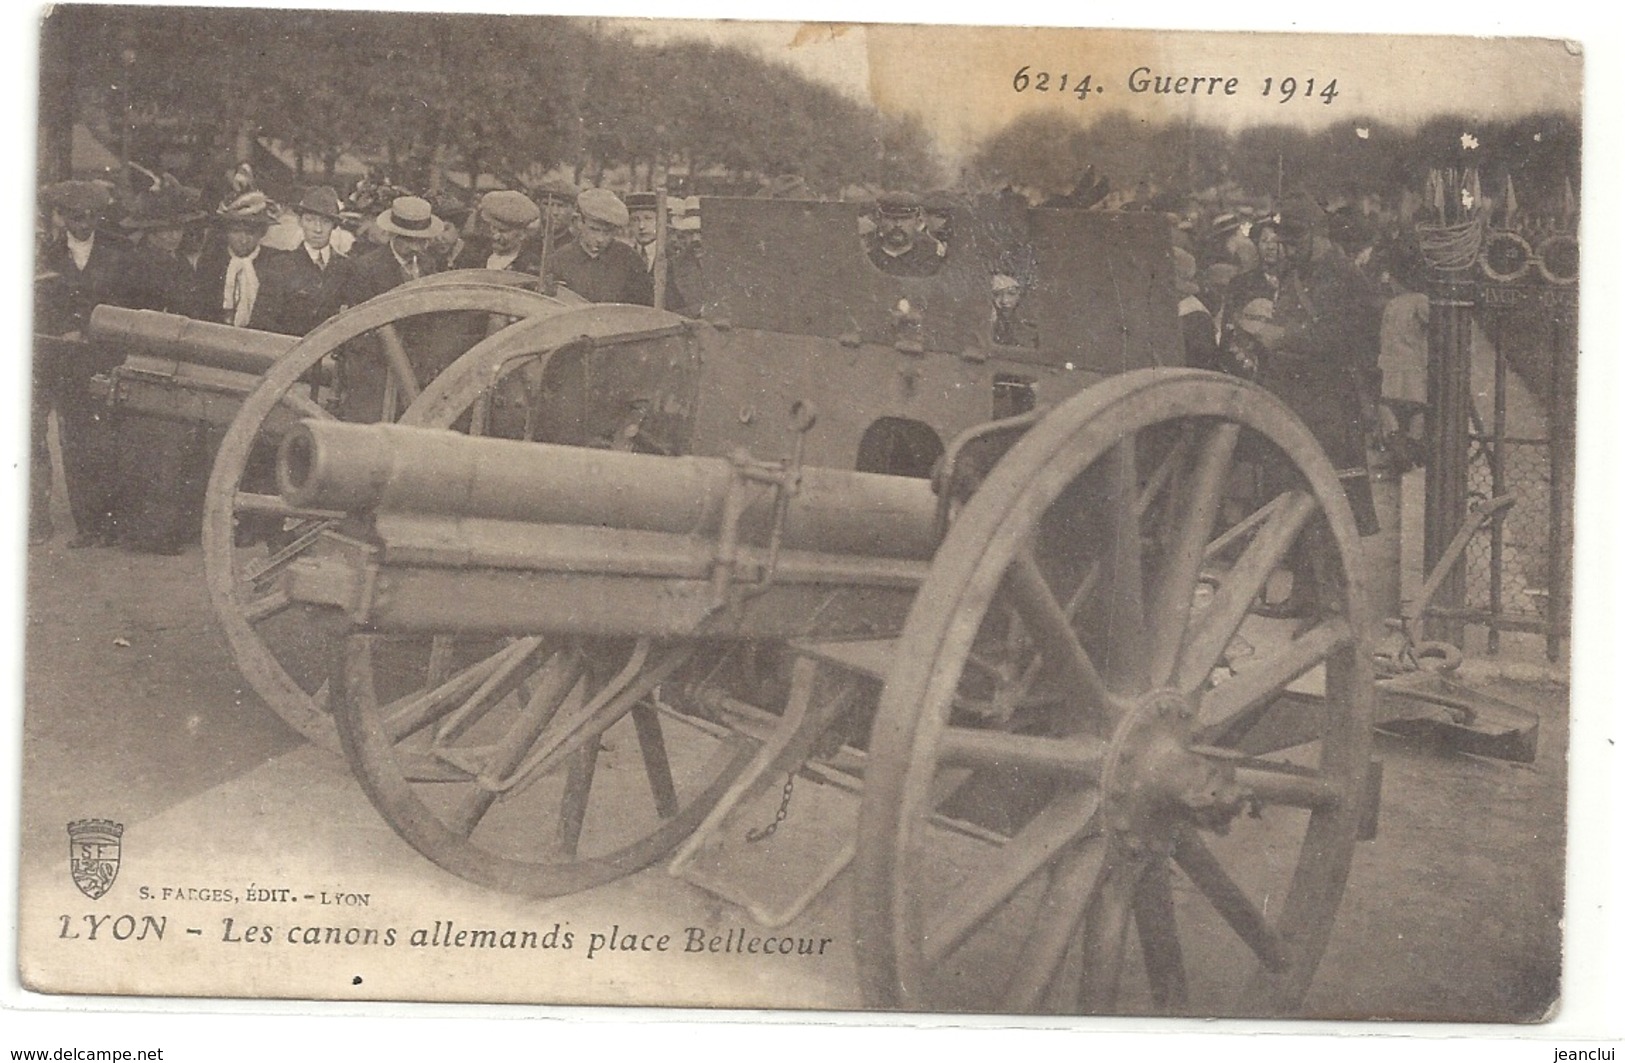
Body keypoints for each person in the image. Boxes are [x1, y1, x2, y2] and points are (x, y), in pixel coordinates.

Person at [117, 177, 214, 553]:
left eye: (177, 228)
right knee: (152, 451)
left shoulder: (184, 268)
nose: (172, 236)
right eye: (163, 230)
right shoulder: (137, 266)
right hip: (149, 365)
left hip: (179, 366)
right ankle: (150, 532)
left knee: (176, 451)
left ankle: (169, 528)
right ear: (149, 232)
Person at [35, 180, 134, 546]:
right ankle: (88, 525)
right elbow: (39, 305)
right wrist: (64, 330)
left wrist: (92, 333)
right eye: (76, 217)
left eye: (90, 216)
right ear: (62, 217)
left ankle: (112, 523)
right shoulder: (47, 254)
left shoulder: (117, 253)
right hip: (62, 363)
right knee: (74, 442)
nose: (83, 224)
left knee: (107, 441)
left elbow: (126, 304)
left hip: (103, 360)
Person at [252, 186, 354, 336]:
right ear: (300, 221)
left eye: (325, 222)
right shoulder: (280, 265)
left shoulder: (347, 267)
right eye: (310, 220)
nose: (317, 229)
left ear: (334, 225)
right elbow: (262, 322)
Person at [544, 188, 653, 305]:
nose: (600, 239)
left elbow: (642, 309)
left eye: (607, 232)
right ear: (580, 222)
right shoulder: (560, 260)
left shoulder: (629, 259)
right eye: (594, 229)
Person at [346, 195, 445, 304]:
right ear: (392, 234)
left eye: (421, 241)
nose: (415, 247)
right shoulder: (367, 268)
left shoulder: (428, 263)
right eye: (408, 240)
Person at [453, 189, 542, 274]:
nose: (495, 236)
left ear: (522, 234)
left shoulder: (531, 267)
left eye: (503, 231)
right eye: (493, 228)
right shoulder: (473, 257)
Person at [864, 192, 943, 278]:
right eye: (890, 218)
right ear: (879, 220)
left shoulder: (929, 261)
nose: (898, 224)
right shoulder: (867, 259)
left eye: (905, 218)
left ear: (917, 221)